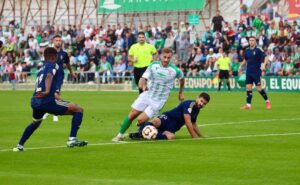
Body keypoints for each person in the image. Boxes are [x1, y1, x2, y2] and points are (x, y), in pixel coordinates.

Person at [13, 47, 87, 152]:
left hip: (35, 101)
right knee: (78, 109)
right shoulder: (52, 66)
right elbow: (49, 76)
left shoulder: (40, 69)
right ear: (53, 56)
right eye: (56, 55)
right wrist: (48, 91)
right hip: (47, 101)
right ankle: (72, 139)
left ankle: (19, 145)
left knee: (35, 123)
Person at [112, 48, 185, 142]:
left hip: (158, 101)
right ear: (160, 56)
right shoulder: (153, 65)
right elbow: (144, 77)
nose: (166, 60)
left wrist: (180, 92)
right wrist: (142, 83)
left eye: (168, 58)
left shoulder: (175, 70)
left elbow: (182, 79)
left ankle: (142, 130)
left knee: (140, 120)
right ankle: (119, 135)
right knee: (133, 113)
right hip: (147, 95)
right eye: (164, 57)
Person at [129, 92, 210, 140]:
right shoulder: (189, 104)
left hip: (172, 127)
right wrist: (195, 137)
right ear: (197, 98)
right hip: (167, 118)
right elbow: (188, 122)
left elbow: (193, 123)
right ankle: (140, 131)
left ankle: (149, 135)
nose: (201, 104)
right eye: (201, 101)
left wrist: (201, 135)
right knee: (155, 121)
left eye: (204, 103)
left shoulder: (197, 109)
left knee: (171, 137)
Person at [43, 35, 76, 122]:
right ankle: (48, 111)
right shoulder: (49, 52)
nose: (58, 42)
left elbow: (68, 64)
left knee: (56, 94)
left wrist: (71, 73)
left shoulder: (64, 54)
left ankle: (55, 113)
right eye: (56, 40)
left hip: (59, 77)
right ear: (53, 41)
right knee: (49, 94)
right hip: (50, 76)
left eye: (60, 40)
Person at [239, 36, 271, 110]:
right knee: (248, 88)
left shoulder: (258, 49)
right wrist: (240, 66)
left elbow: (266, 57)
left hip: (256, 72)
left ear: (255, 41)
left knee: (259, 89)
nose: (251, 41)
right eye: (250, 40)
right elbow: (245, 60)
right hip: (249, 72)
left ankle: (267, 101)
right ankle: (248, 105)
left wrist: (264, 64)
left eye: (253, 40)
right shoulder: (247, 50)